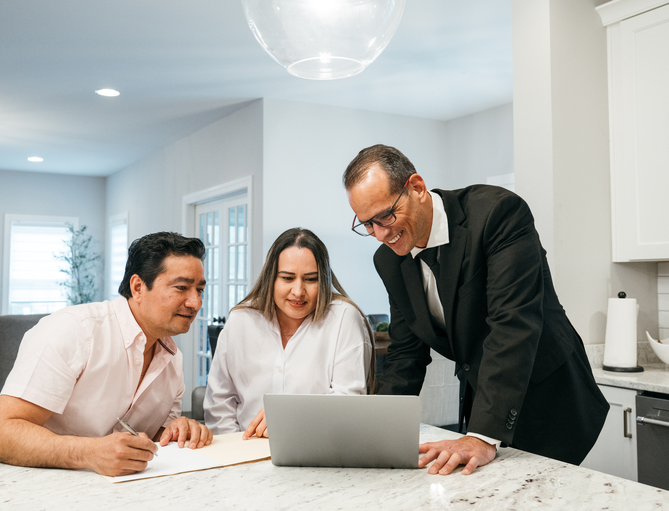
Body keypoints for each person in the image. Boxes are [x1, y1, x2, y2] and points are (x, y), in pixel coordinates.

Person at [343, 144, 608, 475]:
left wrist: (482, 435)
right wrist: (376, 434)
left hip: (549, 400)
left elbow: (512, 324)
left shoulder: (498, 214)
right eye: (367, 224)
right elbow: (405, 356)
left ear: (416, 188)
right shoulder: (389, 261)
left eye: (386, 216)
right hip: (483, 400)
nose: (381, 234)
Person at [0, 232, 213, 477]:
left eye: (200, 290)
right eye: (182, 288)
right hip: (9, 484)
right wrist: (90, 453)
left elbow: (150, 438)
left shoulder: (173, 359)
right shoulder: (73, 330)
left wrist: (175, 431)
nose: (195, 302)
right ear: (138, 287)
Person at [204, 228, 374, 438]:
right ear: (271, 278)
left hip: (318, 447)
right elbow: (219, 402)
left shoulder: (345, 318)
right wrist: (235, 449)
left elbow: (349, 403)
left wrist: (290, 417)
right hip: (243, 448)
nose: (298, 291)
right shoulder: (241, 319)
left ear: (324, 280)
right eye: (287, 278)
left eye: (311, 279)